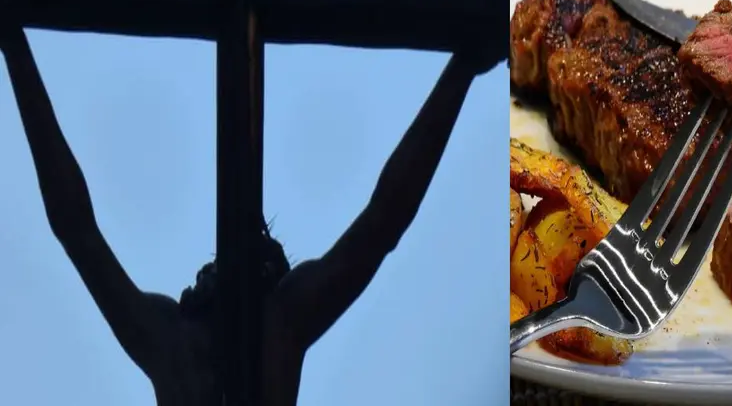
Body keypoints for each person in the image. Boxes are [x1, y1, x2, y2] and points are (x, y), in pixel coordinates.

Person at [0, 23, 502, 405]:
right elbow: (77, 231)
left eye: (215, 269)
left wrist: (461, 71)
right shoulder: (187, 339)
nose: (201, 276)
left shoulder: (259, 328)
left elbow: (383, 221)